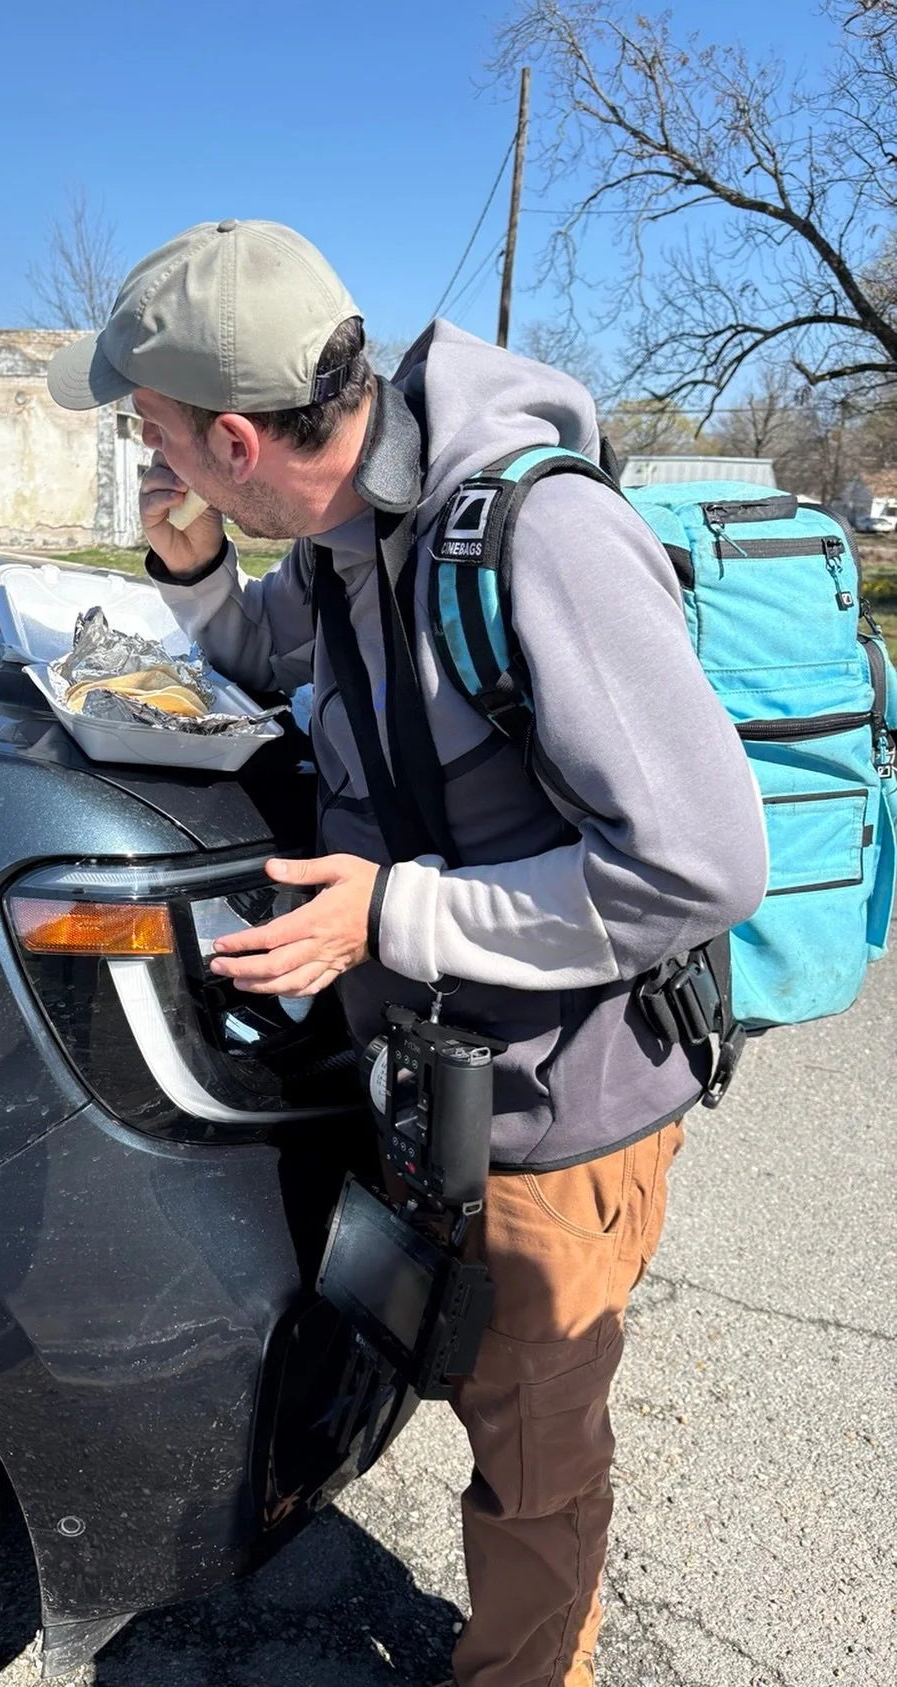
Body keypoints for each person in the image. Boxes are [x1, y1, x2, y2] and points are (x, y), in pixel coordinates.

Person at [45, 219, 767, 1687]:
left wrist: (391, 912)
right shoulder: (348, 527)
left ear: (236, 435)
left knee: (532, 1458)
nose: (155, 456)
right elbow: (261, 655)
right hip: (442, 1080)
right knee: (471, 1382)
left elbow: (700, 861)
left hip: (564, 1112)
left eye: (161, 438)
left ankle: (532, 1662)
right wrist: (186, 565)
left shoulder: (539, 538)